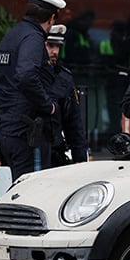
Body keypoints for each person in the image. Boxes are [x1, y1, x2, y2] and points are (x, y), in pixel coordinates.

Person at [0, 0, 66, 182]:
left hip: (7, 130)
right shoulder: (33, 38)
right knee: (34, 192)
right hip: (28, 133)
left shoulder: (12, 36)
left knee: (19, 189)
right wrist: (49, 106)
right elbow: (26, 76)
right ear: (51, 18)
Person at [44, 24, 88, 166]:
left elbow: (74, 121)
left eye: (57, 46)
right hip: (31, 148)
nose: (54, 51)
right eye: (50, 46)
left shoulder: (64, 77)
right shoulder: (27, 74)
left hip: (55, 149)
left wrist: (79, 157)